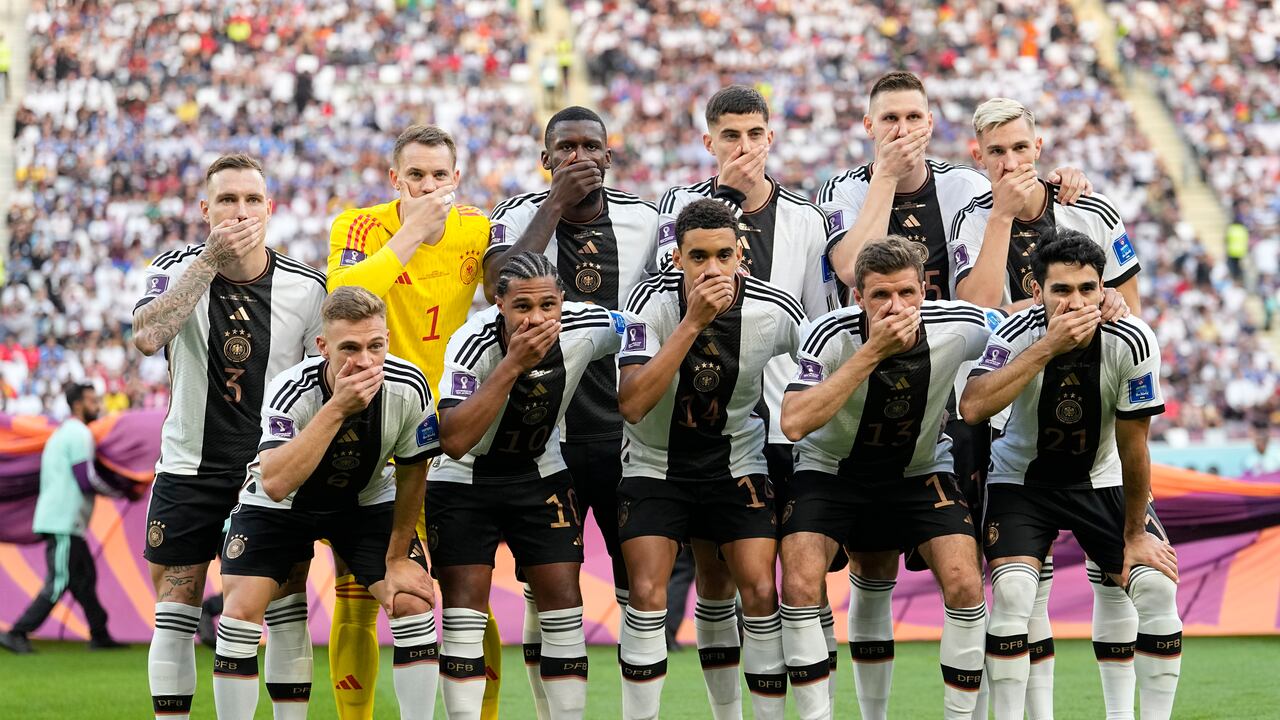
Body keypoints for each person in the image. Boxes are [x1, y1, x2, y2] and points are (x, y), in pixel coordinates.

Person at [817, 72, 1091, 718]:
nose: (902, 130)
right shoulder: (843, 188)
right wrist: (885, 177)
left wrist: (1062, 185)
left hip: (964, 398)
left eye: (913, 117)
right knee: (874, 565)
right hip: (878, 397)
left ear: (932, 122)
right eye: (889, 119)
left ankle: (1015, 707)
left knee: (996, 568)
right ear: (868, 127)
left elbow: (1013, 222)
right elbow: (850, 267)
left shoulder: (967, 188)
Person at [953, 97, 1146, 720]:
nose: (1011, 162)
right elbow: (978, 314)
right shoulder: (970, 219)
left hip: (1089, 410)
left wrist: (1112, 307)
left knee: (1110, 574)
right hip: (1003, 411)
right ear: (978, 157)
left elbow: (1132, 310)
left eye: (1020, 148)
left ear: (1039, 148)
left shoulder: (1092, 211)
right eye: (997, 152)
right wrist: (1003, 220)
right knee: (1016, 584)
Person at [656, 84, 839, 718]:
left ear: (771, 137)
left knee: (800, 577)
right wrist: (726, 201)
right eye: (729, 135)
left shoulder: (807, 219)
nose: (743, 146)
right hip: (713, 423)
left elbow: (823, 325)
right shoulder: (676, 211)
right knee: (716, 577)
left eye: (753, 134)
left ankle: (819, 706)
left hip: (788, 425)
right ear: (708, 142)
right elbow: (675, 298)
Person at [960, 230, 1182, 720]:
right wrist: (1046, 347)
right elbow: (973, 406)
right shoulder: (1013, 336)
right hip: (1022, 483)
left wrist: (1134, 535)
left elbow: (1134, 443)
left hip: (1103, 481)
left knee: (1156, 587)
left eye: (1087, 288)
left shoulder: (1132, 338)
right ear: (1036, 291)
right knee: (1016, 592)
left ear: (1104, 288)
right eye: (1061, 290)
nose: (1076, 301)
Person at [135, 155, 325, 720]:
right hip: (187, 470)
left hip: (271, 476)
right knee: (176, 609)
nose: (239, 212)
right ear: (205, 210)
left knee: (286, 606)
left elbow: (321, 378)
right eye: (226, 200)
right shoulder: (174, 267)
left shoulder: (305, 285)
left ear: (270, 209)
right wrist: (209, 262)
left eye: (250, 200)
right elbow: (148, 336)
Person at [484, 106, 659, 708]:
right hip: (546, 439)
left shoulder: (645, 219)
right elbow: (496, 288)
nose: (578, 157)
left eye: (590, 147)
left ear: (609, 157)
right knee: (546, 587)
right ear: (546, 159)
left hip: (625, 437)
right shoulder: (514, 217)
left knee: (641, 584)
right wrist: (553, 205)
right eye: (565, 148)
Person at [779, 236, 995, 720]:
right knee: (798, 584)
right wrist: (872, 352)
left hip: (918, 471)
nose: (894, 306)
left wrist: (1104, 303)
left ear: (924, 291)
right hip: (830, 471)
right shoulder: (828, 334)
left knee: (965, 581)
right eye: (880, 296)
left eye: (905, 294)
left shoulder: (959, 326)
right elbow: (794, 422)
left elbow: (1023, 327)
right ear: (859, 298)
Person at [327, 124, 500, 720]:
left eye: (439, 175)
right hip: (371, 431)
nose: (429, 186)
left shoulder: (476, 228)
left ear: (457, 178)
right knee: (359, 596)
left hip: (449, 432)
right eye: (416, 176)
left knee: (464, 598)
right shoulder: (359, 225)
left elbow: (511, 292)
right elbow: (344, 296)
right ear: (394, 179)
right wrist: (412, 234)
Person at [212, 287, 441, 720]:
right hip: (279, 507)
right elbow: (276, 481)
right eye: (349, 349)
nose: (366, 360)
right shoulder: (291, 389)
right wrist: (336, 409)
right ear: (323, 347)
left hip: (365, 501)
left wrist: (397, 557)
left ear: (388, 340)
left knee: (413, 600)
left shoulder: (410, 385)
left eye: (376, 345)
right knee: (240, 614)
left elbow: (414, 473)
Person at [615, 199, 803, 720]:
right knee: (648, 592)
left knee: (760, 591)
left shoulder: (775, 309)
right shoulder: (646, 304)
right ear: (677, 257)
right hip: (654, 465)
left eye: (724, 255)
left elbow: (823, 366)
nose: (713, 269)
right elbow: (631, 403)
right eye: (699, 257)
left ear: (741, 255)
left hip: (737, 465)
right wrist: (692, 322)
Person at [429, 252, 625, 720]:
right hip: (464, 480)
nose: (536, 318)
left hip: (540, 472)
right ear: (498, 303)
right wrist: (512, 364)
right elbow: (453, 439)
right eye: (521, 307)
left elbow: (643, 327)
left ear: (562, 301)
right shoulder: (470, 343)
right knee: (463, 615)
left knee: (563, 604)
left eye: (547, 306)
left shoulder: (587, 325)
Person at [0, 383, 124, 654]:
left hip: (65, 521)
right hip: (63, 521)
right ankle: (17, 632)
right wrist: (122, 490)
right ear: (78, 404)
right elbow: (85, 479)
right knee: (59, 580)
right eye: (92, 401)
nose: (98, 406)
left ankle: (99, 633)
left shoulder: (65, 432)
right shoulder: (79, 434)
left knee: (84, 579)